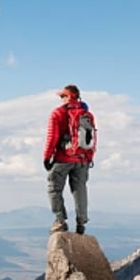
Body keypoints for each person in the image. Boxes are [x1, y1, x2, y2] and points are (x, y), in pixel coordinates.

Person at [42, 84, 95, 235]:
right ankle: (81, 223)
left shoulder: (58, 113)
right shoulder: (86, 114)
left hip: (63, 158)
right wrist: (88, 158)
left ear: (68, 97)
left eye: (62, 96)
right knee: (80, 190)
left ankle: (60, 221)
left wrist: (47, 157)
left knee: (54, 188)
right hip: (82, 159)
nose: (61, 99)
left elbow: (53, 137)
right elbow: (91, 139)